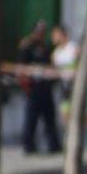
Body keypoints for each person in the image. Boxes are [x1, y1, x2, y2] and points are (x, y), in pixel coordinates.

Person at [18, 20, 61, 154]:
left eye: (43, 31)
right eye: (39, 31)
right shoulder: (27, 47)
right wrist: (25, 85)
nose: (41, 34)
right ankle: (28, 145)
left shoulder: (46, 48)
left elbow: (52, 65)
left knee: (50, 118)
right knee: (31, 119)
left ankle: (54, 145)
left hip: (45, 87)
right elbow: (21, 67)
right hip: (33, 88)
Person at [50, 24, 79, 126]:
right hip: (64, 87)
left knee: (74, 116)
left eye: (55, 34)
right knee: (65, 117)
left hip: (75, 86)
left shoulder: (73, 48)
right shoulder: (55, 54)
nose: (53, 37)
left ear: (63, 34)